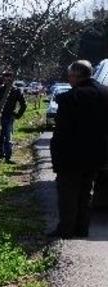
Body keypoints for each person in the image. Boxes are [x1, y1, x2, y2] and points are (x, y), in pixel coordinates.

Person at [50, 60, 108, 238]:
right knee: (85, 193)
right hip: (96, 155)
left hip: (71, 155)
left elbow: (62, 131)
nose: (69, 79)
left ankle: (66, 229)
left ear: (76, 76)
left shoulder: (71, 99)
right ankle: (82, 228)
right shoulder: (105, 93)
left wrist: (56, 154)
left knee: (68, 194)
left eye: (70, 76)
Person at [0, 71, 27, 163]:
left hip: (9, 117)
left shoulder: (16, 91)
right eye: (5, 78)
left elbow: (23, 104)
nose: (7, 80)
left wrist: (17, 115)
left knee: (8, 137)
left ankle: (8, 157)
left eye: (9, 78)